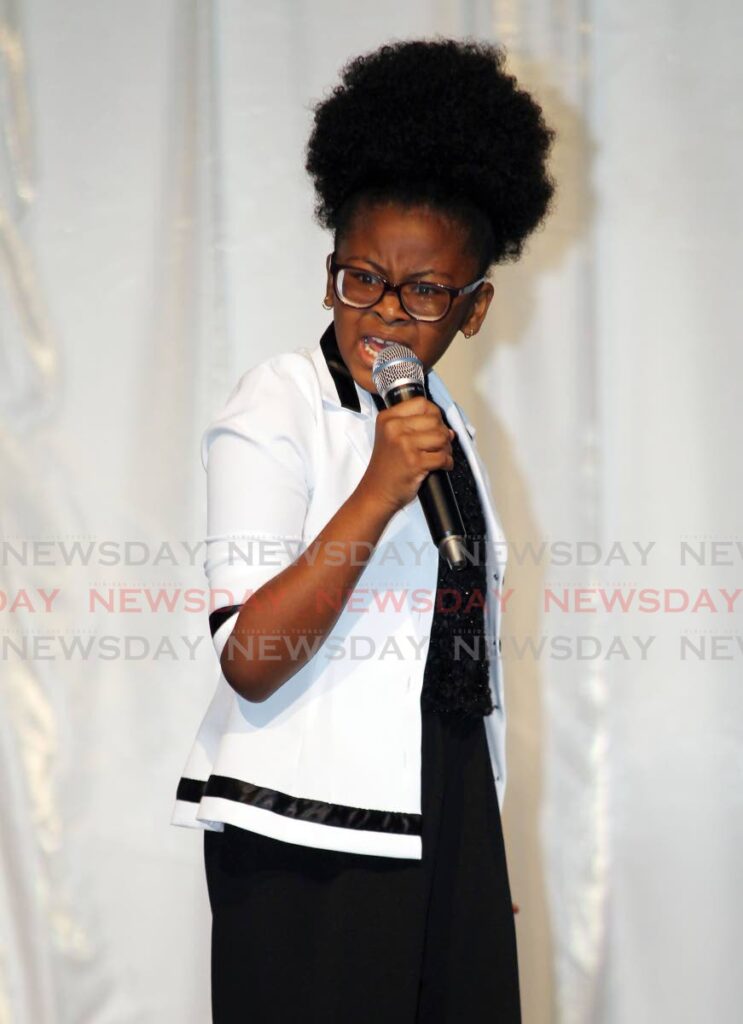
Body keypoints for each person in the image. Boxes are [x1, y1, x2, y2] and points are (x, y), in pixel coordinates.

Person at [172, 37, 555, 1023]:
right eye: (362, 278)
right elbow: (250, 654)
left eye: (424, 292)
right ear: (329, 270)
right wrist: (376, 490)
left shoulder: (449, 431)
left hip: (442, 825)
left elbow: (453, 667)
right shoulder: (282, 401)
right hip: (313, 856)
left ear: (473, 310)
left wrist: (475, 845)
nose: (384, 315)